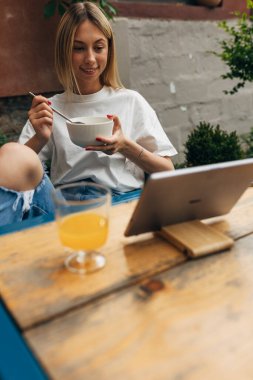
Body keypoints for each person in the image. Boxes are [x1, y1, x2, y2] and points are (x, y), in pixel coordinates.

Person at [1, 1, 177, 228]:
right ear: (65, 50)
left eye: (99, 47)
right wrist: (40, 138)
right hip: (65, 207)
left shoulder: (131, 101)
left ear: (109, 49)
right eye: (79, 48)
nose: (91, 59)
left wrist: (125, 146)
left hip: (120, 201)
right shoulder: (50, 107)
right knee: (9, 152)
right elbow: (14, 170)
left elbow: (168, 170)